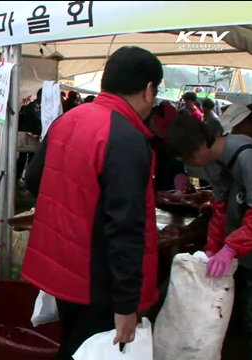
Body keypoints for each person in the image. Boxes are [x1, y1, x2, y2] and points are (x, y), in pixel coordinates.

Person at [22, 46, 162, 359]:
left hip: (65, 264)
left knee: (73, 342)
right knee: (93, 348)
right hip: (100, 276)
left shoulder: (69, 119)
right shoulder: (126, 137)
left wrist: (71, 211)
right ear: (149, 89)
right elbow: (125, 227)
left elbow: (34, 179)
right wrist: (127, 305)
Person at [166, 115, 252, 360]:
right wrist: (212, 248)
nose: (192, 164)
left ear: (204, 143)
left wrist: (230, 248)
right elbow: (221, 207)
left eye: (191, 158)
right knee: (232, 302)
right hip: (241, 237)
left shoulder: (246, 155)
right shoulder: (212, 162)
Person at [17, 89, 42, 182]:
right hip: (28, 137)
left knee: (26, 158)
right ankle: (21, 178)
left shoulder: (37, 106)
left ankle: (22, 178)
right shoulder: (33, 107)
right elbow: (34, 122)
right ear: (39, 96)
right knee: (26, 158)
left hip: (31, 137)